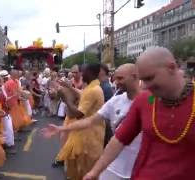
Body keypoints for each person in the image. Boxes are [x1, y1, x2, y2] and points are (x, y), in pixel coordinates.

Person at [83, 47, 195, 180]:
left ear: (171, 68)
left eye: (150, 78)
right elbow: (119, 140)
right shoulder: (143, 100)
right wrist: (94, 172)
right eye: (143, 80)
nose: (145, 86)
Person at [42, 64, 142, 180]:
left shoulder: (150, 100)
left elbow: (80, 114)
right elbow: (90, 121)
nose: (116, 81)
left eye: (120, 78)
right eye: (115, 78)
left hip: (139, 164)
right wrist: (61, 129)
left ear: (134, 77)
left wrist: (67, 99)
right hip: (115, 163)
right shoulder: (116, 100)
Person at [54, 64, 105, 180]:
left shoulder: (93, 90)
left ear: (91, 73)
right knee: (78, 166)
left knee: (84, 169)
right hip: (85, 132)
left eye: (83, 72)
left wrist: (66, 99)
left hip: (88, 136)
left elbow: (77, 114)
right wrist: (68, 89)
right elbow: (82, 95)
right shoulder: (92, 88)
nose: (81, 75)